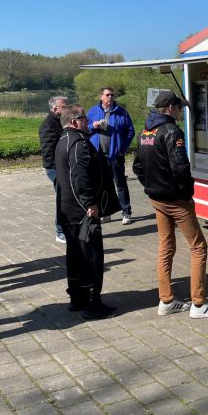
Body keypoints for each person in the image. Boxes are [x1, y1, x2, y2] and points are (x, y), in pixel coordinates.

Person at [132, 90, 208, 319]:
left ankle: (166, 300)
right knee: (198, 247)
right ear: (171, 108)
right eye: (179, 107)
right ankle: (199, 304)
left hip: (156, 198)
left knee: (166, 246)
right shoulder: (172, 131)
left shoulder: (145, 130)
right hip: (175, 199)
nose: (180, 111)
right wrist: (186, 194)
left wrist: (151, 186)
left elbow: (137, 167)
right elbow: (180, 168)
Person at [55, 104, 120, 319]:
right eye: (84, 118)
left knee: (75, 256)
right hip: (82, 212)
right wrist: (90, 203)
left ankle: (77, 297)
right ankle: (93, 304)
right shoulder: (78, 143)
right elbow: (79, 177)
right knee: (91, 257)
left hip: (68, 210)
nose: (88, 121)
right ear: (74, 121)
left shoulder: (63, 139)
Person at [87, 87, 135, 225]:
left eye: (112, 95)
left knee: (120, 184)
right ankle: (105, 212)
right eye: (107, 95)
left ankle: (126, 212)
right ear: (101, 96)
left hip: (115, 155)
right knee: (102, 185)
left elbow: (130, 131)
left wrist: (122, 149)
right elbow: (85, 128)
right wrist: (93, 126)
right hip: (98, 156)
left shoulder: (121, 112)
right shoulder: (93, 111)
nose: (110, 97)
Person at [39, 95, 68, 243]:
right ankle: (60, 231)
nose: (67, 108)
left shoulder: (61, 121)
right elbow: (48, 151)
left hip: (64, 166)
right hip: (55, 168)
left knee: (67, 197)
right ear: (55, 108)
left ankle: (67, 228)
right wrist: (58, 169)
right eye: (64, 106)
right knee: (62, 198)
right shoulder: (48, 125)